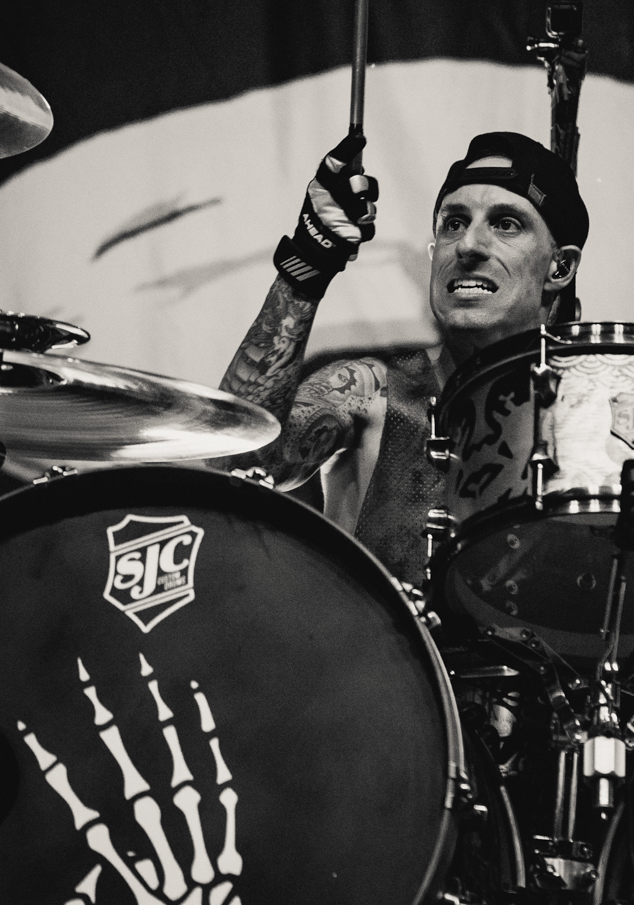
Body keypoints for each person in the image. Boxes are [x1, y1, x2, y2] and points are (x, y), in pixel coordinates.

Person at [220, 130, 589, 585]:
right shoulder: (370, 392)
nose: (468, 245)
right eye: (454, 223)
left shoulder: (589, 427)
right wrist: (306, 267)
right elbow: (234, 467)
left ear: (560, 266)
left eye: (505, 224)